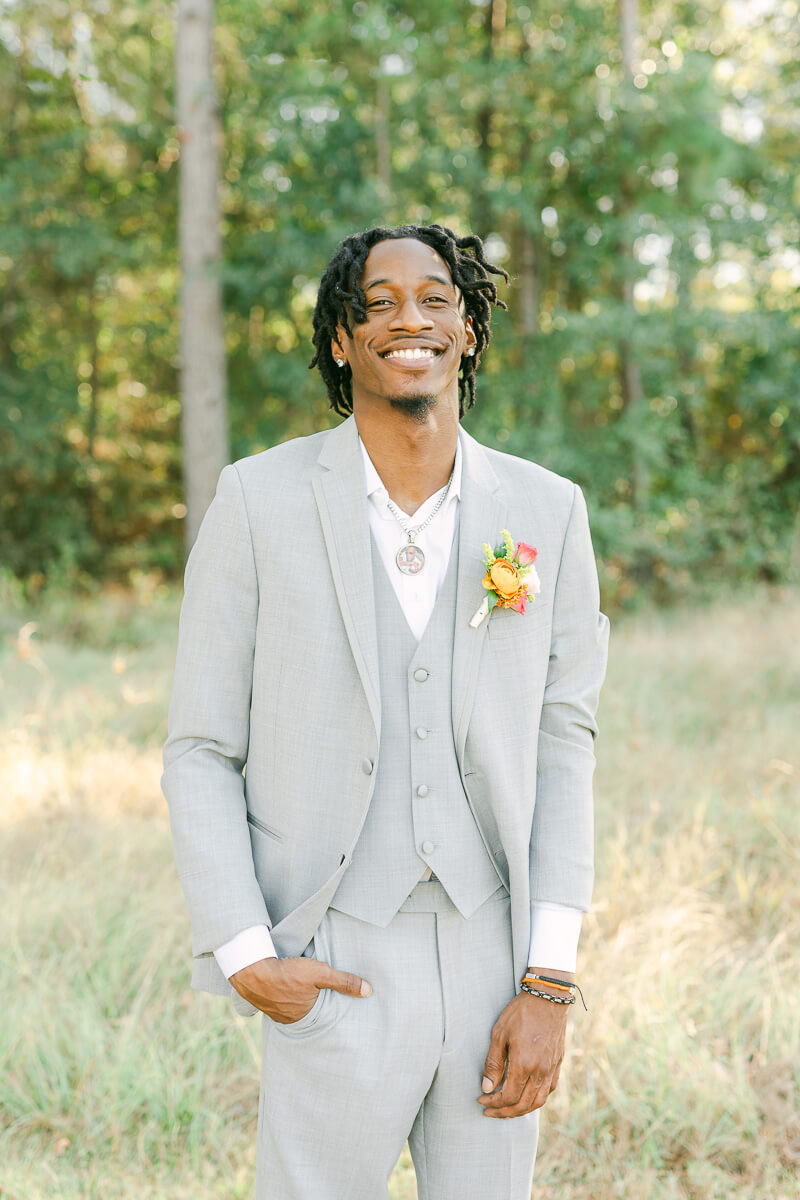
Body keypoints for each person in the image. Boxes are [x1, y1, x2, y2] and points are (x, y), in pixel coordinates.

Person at [161, 222, 610, 1199]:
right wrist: (244, 953)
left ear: (468, 331)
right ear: (339, 338)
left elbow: (562, 744)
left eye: (434, 298)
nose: (408, 318)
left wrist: (547, 981)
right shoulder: (255, 501)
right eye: (377, 303)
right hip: (329, 953)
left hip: (495, 963)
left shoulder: (547, 513)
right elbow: (199, 746)